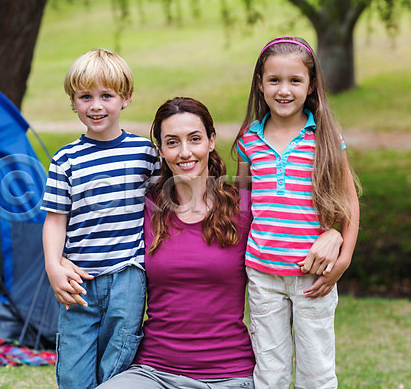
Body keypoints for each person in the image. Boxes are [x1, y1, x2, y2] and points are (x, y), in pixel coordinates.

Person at [97, 96, 256, 388]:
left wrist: (334, 235)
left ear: (211, 140)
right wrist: (60, 263)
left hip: (230, 375)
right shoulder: (144, 208)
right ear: (161, 150)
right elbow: (92, 236)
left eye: (194, 139)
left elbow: (295, 228)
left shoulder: (244, 207)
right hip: (154, 371)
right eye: (172, 142)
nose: (185, 152)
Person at [234, 36, 360, 388]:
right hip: (263, 276)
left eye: (295, 80)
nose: (284, 90)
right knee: (269, 372)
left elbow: (349, 201)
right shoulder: (249, 139)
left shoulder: (324, 135)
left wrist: (344, 258)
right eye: (274, 80)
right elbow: (245, 205)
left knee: (316, 371)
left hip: (313, 276)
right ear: (260, 85)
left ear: (312, 84)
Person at [40, 48, 159, 389]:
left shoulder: (144, 154)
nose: (95, 106)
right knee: (73, 372)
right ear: (73, 102)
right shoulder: (65, 160)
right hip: (79, 280)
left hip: (128, 276)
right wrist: (53, 265)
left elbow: (160, 208)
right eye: (85, 96)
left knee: (118, 362)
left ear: (126, 99)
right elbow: (55, 220)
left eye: (106, 95)